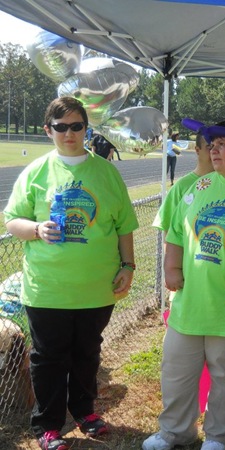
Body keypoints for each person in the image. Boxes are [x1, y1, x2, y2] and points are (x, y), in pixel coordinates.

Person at [3, 97, 138, 450]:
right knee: (48, 357)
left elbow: (124, 225)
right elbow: (12, 220)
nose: (69, 133)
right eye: (61, 127)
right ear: (48, 130)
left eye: (76, 126)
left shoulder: (106, 173)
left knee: (87, 353)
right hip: (47, 288)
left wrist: (128, 266)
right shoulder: (36, 172)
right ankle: (47, 425)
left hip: (96, 288)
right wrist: (36, 229)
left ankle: (84, 412)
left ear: (86, 129)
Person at [142, 118, 225, 450]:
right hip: (189, 303)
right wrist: (171, 266)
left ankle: (218, 435)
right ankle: (175, 431)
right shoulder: (198, 187)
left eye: (222, 145)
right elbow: (176, 231)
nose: (213, 151)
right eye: (211, 145)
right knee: (176, 371)